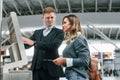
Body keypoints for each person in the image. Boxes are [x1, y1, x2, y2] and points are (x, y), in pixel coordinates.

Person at [23, 7, 64, 80]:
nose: (50, 20)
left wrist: (34, 43)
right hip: (36, 70)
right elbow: (27, 46)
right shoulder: (37, 33)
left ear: (55, 18)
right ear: (43, 18)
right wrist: (15, 40)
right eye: (47, 18)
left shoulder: (59, 32)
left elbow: (54, 46)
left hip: (51, 70)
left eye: (52, 17)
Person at [53, 14, 90, 80]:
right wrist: (62, 62)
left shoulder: (79, 39)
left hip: (78, 76)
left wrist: (64, 60)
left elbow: (84, 60)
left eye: (65, 23)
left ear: (72, 24)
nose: (62, 25)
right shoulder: (72, 41)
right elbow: (73, 61)